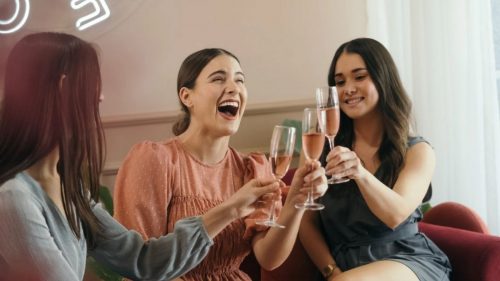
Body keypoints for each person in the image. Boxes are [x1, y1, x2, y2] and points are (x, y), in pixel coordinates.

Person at [0, 32, 281, 281]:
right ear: (63, 88)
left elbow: (143, 261)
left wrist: (232, 208)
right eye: (93, 84)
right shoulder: (14, 199)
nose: (100, 98)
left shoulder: (69, 188)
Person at [113, 48, 327, 281]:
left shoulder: (251, 168)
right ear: (187, 97)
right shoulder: (155, 160)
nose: (234, 88)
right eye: (218, 79)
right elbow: (140, 265)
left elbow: (269, 258)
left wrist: (296, 201)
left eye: (240, 80)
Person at [299, 38, 452, 281]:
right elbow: (306, 222)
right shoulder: (321, 146)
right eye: (340, 82)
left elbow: (396, 214)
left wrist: (359, 173)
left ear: (383, 79)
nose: (348, 88)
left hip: (407, 260)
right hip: (343, 270)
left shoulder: (418, 151)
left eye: (359, 77)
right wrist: (331, 271)